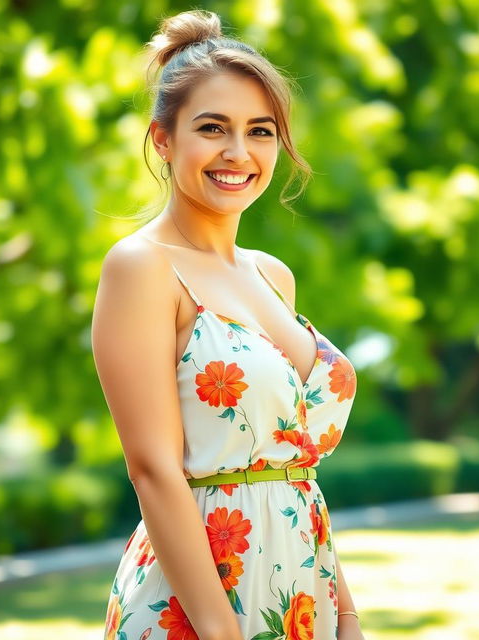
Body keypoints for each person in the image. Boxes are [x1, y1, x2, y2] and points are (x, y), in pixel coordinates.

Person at [91, 9, 362, 640]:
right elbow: (153, 469)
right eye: (212, 128)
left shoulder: (272, 275)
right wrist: (220, 631)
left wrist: (345, 614)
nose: (238, 153)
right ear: (163, 138)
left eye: (260, 131)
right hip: (200, 605)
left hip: (302, 589)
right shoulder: (142, 267)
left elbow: (294, 474)